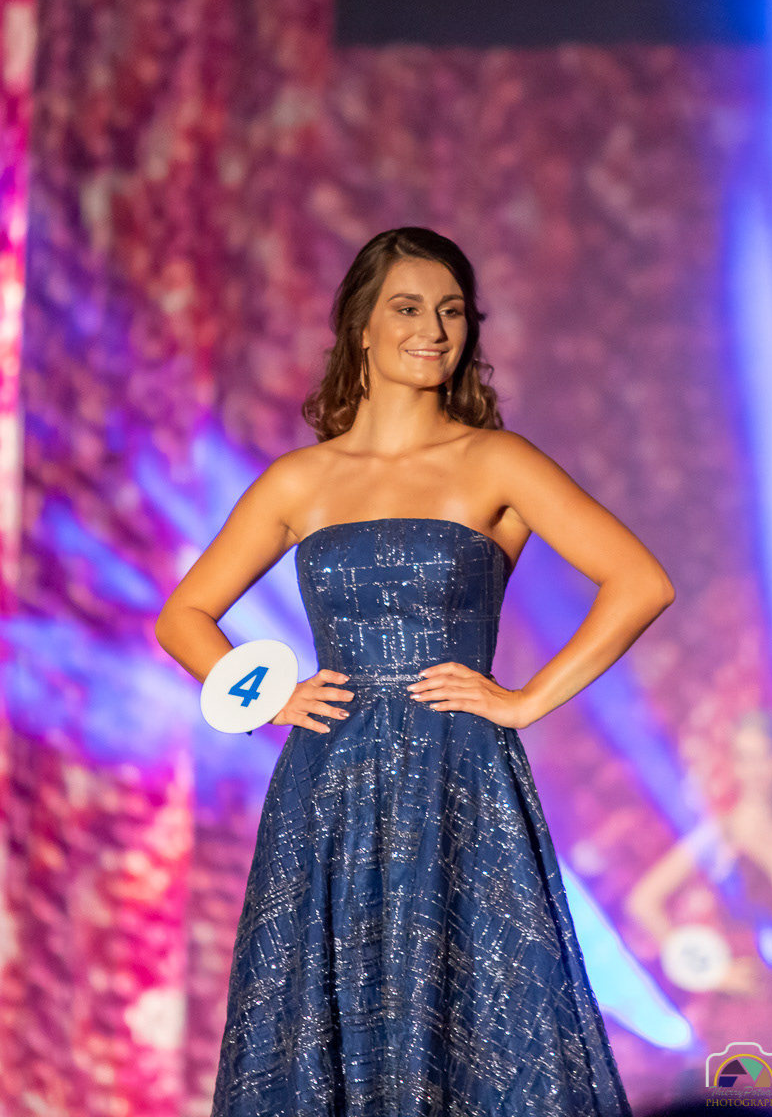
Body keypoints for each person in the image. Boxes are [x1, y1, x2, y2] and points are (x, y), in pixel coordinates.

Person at [155, 227, 675, 1116]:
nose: (433, 329)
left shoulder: (496, 460)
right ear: (362, 326)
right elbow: (182, 617)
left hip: (458, 778)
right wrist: (272, 699)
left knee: (480, 1024)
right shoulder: (300, 481)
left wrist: (525, 702)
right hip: (328, 787)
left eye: (452, 311)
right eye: (407, 308)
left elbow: (641, 582)